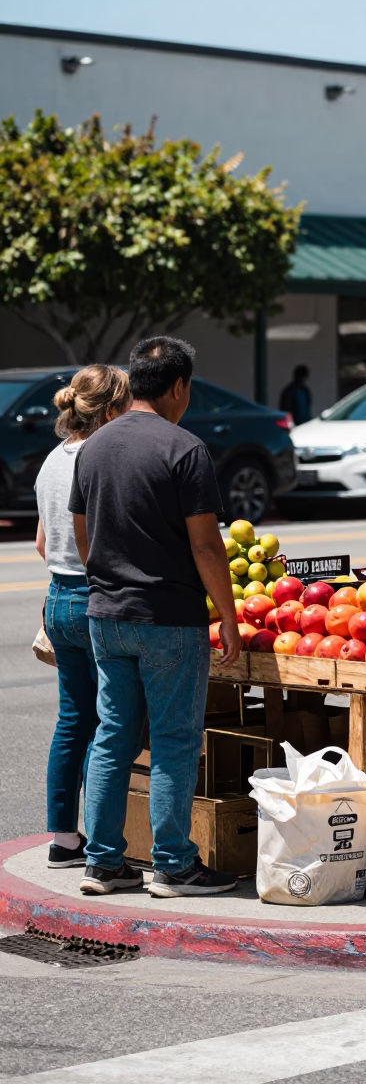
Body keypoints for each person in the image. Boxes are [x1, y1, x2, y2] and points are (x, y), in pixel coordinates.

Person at [69, 336, 242, 897]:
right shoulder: (184, 449)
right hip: (168, 616)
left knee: (112, 735)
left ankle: (101, 862)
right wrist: (229, 618)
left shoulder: (92, 447)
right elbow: (207, 547)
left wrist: (105, 578)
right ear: (178, 387)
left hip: (106, 613)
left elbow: (80, 530)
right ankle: (172, 864)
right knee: (173, 739)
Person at [35, 365, 132, 869]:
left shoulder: (52, 459)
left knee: (73, 720)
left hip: (57, 597)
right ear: (112, 410)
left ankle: (62, 838)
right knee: (110, 724)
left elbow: (41, 542)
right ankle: (100, 838)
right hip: (96, 597)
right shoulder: (99, 457)